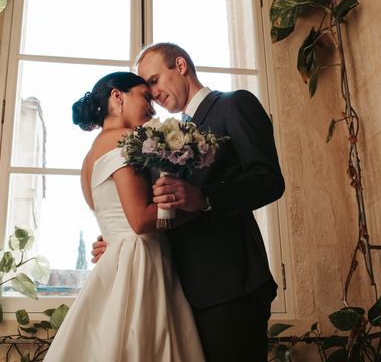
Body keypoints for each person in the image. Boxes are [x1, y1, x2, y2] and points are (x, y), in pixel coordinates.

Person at [93, 43, 286, 361]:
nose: (152, 93)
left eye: (154, 80)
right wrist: (118, 241)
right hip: (175, 294)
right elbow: (154, 207)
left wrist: (206, 198)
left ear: (180, 65)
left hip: (231, 286)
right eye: (146, 87)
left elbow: (269, 180)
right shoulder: (163, 135)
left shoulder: (233, 105)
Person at [44, 71, 205, 362]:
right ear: (118, 96)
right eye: (145, 96)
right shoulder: (126, 140)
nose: (153, 108)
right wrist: (198, 206)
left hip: (116, 262)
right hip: (142, 261)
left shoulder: (89, 157)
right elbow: (141, 221)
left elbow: (113, 222)